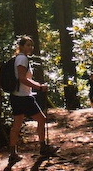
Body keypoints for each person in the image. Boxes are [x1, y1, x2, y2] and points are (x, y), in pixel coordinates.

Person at [8, 35, 58, 164]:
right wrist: (39, 87)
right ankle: (43, 147)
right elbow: (22, 78)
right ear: (21, 46)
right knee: (41, 119)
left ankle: (13, 153)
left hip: (16, 96)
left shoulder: (18, 58)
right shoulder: (22, 59)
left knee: (17, 125)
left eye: (31, 45)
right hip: (24, 97)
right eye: (28, 45)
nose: (30, 47)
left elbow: (23, 78)